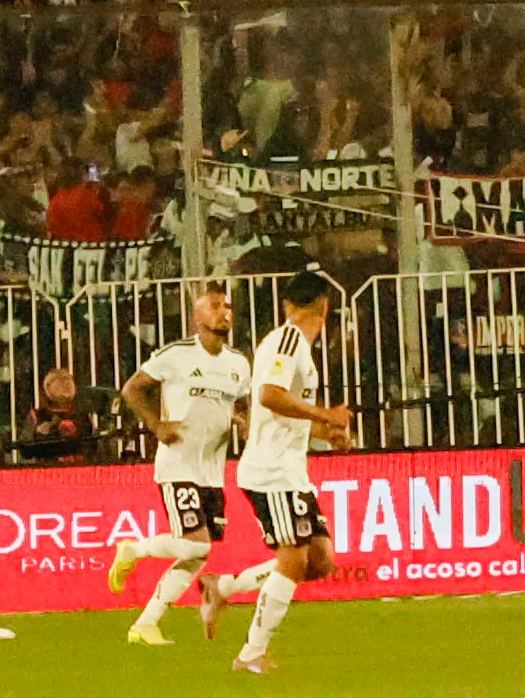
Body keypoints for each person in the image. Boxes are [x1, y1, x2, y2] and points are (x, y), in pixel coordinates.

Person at [195, 272, 353, 672]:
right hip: (272, 470)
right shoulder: (289, 340)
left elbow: (278, 411)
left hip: (290, 469)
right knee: (293, 559)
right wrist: (325, 414)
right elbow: (269, 395)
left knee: (320, 561)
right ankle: (252, 652)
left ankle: (222, 587)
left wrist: (326, 432)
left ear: (287, 305)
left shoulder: (293, 346)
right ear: (325, 306)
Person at [107, 282, 255, 647]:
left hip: (213, 471)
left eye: (227, 306)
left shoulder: (238, 363)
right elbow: (132, 389)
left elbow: (241, 404)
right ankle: (134, 550)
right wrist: (157, 425)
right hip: (178, 465)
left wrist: (244, 421)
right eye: (215, 305)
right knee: (195, 546)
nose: (225, 312)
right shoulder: (176, 354)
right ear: (197, 316)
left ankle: (146, 624)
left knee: (198, 554)